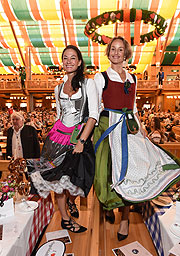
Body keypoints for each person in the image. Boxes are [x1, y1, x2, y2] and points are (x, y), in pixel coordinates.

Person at [93, 36, 180, 241]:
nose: (116, 53)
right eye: (112, 49)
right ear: (108, 53)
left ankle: (125, 218)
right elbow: (96, 107)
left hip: (128, 126)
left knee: (131, 170)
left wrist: (141, 129)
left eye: (120, 49)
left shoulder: (133, 79)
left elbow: (132, 107)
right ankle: (109, 206)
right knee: (105, 172)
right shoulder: (101, 77)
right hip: (107, 126)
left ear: (126, 54)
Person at [27, 45, 98, 233]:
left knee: (77, 179)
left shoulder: (88, 84)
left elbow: (93, 115)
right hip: (58, 138)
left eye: (73, 58)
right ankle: (65, 219)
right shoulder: (57, 87)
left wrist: (82, 141)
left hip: (79, 139)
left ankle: (69, 202)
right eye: (65, 57)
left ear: (80, 62)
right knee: (58, 180)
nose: (68, 61)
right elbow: (60, 115)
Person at [6, 111, 40, 194]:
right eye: (13, 119)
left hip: (29, 158)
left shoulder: (30, 129)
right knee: (17, 178)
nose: (14, 121)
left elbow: (36, 145)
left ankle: (32, 194)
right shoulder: (10, 130)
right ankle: (18, 193)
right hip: (15, 159)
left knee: (31, 178)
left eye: (17, 119)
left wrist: (37, 158)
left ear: (22, 120)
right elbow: (8, 145)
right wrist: (8, 156)